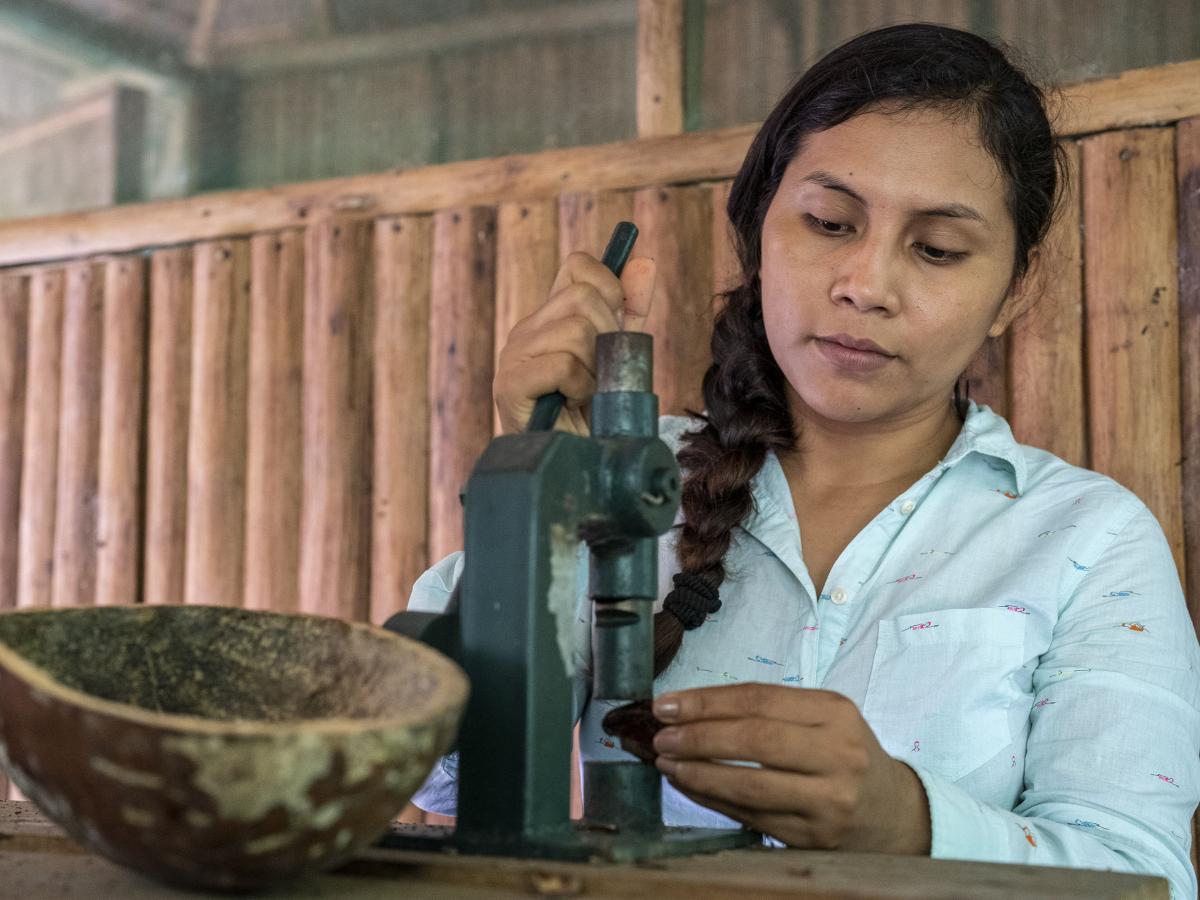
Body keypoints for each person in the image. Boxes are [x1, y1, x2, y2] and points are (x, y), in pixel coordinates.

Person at [410, 22, 1200, 898]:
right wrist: (530, 481)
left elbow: (1146, 877)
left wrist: (909, 821)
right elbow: (430, 771)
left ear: (1013, 289)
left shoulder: (1088, 540)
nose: (866, 283)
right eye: (829, 222)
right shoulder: (621, 481)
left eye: (936, 248)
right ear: (757, 234)